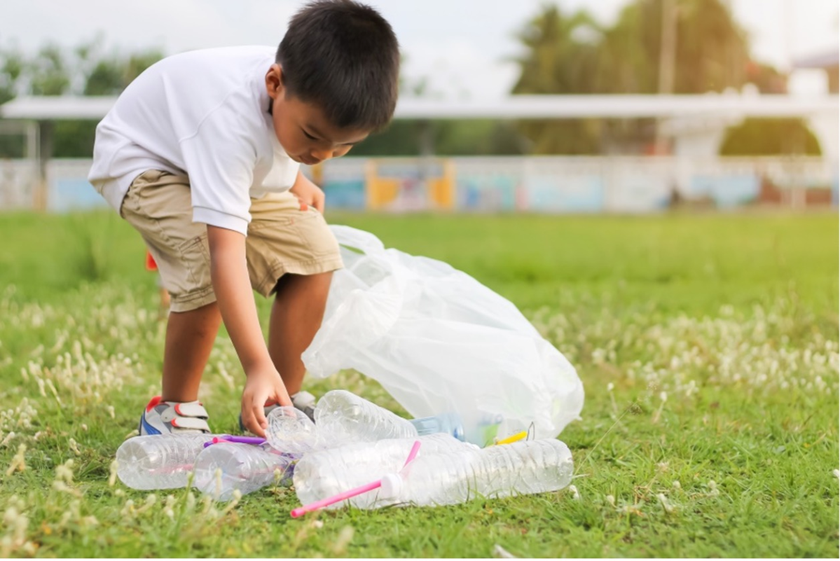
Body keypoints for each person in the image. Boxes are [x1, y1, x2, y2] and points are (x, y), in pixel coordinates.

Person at [87, 0, 400, 437]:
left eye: (342, 146)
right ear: (275, 83)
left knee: (315, 251)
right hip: (146, 162)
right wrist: (255, 363)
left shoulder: (299, 92)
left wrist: (294, 177)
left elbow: (273, 136)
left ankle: (278, 402)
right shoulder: (228, 120)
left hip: (208, 159)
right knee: (203, 266)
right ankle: (174, 412)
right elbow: (225, 254)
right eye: (313, 137)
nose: (322, 155)